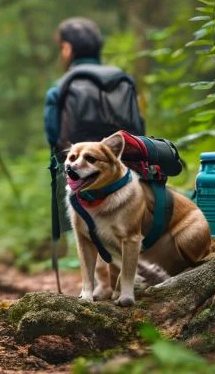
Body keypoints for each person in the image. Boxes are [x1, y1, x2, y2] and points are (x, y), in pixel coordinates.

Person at [43, 17, 145, 291]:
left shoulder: (61, 87)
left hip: (81, 177)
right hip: (126, 173)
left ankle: (102, 283)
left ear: (67, 49)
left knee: (87, 227)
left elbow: (54, 137)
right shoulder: (122, 79)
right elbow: (139, 130)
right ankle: (123, 280)